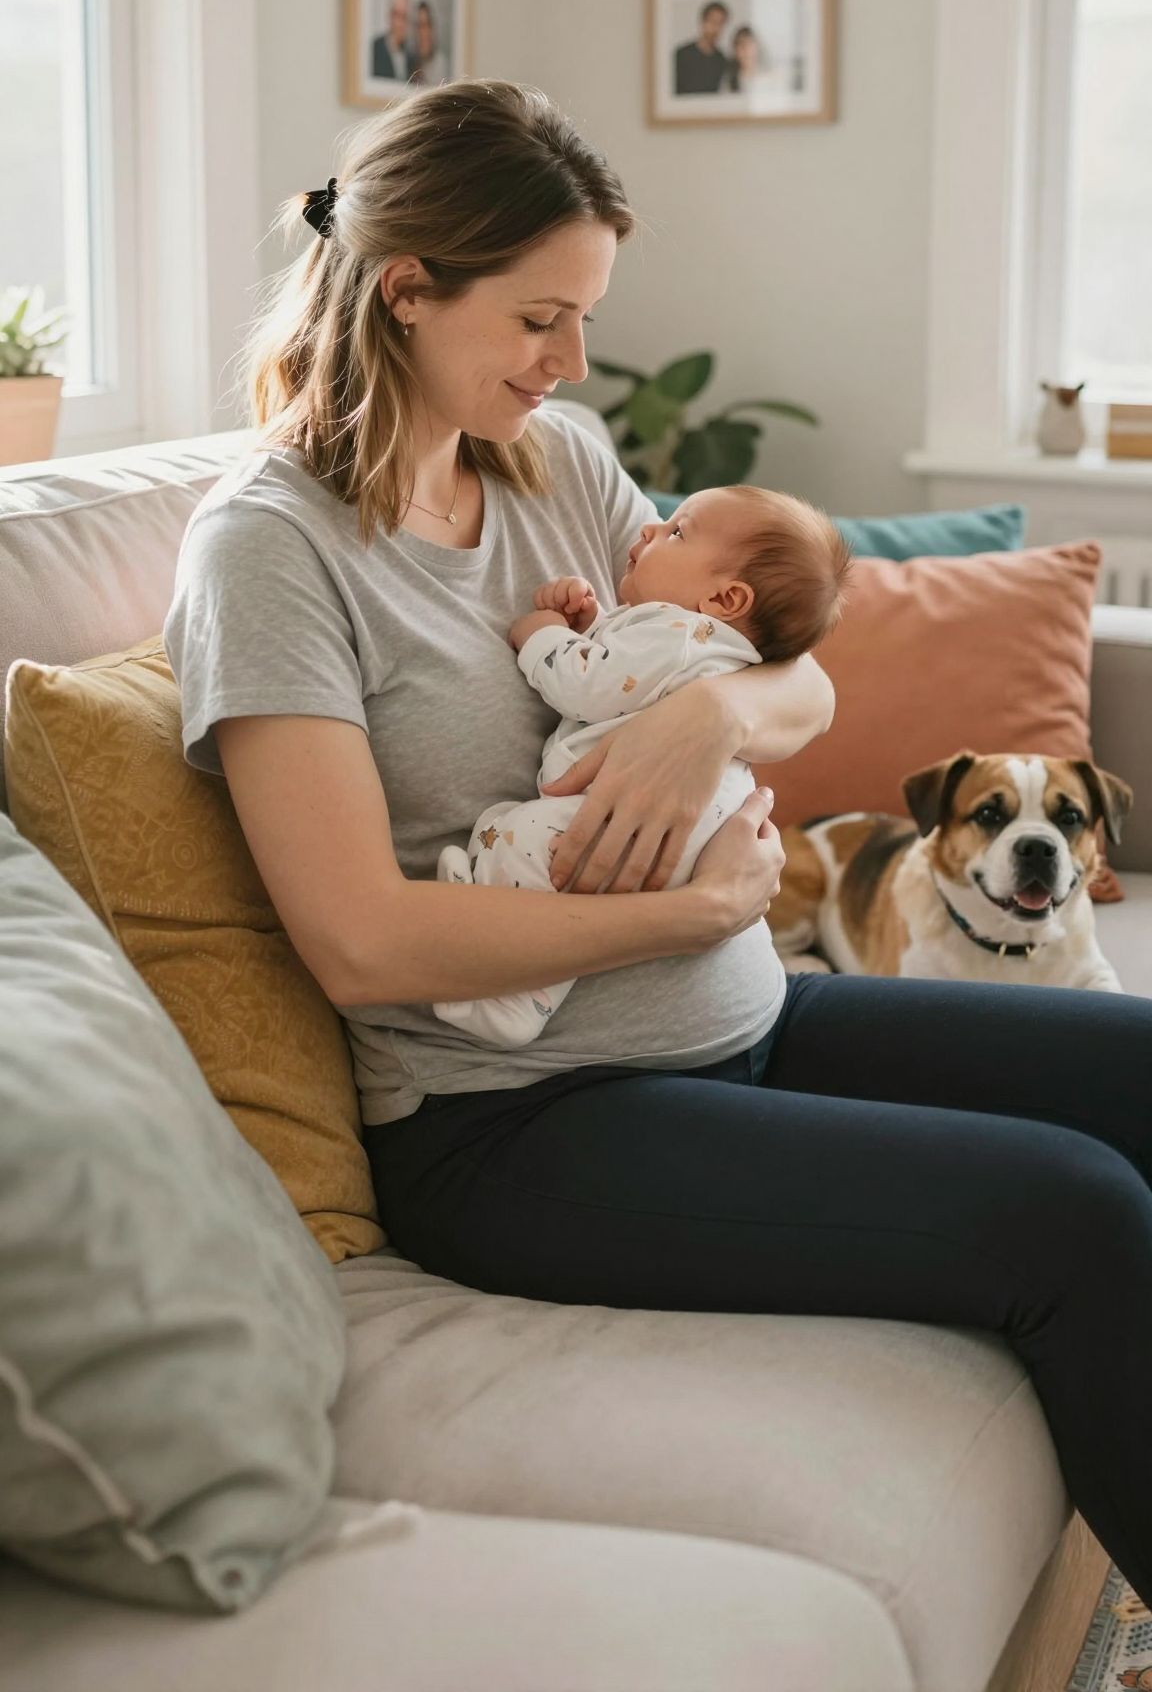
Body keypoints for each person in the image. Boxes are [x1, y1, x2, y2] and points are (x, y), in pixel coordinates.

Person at [164, 78, 1152, 1610]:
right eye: (541, 321)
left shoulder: (550, 466)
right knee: (1077, 1214)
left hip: (750, 1018)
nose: (570, 366)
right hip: (519, 1123)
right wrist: (684, 916)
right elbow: (360, 937)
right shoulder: (269, 554)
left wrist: (712, 727)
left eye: (585, 323)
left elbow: (799, 667)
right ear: (409, 291)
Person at [435, 487, 851, 1046]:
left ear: (726, 600)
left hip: (634, 832)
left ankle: (513, 995)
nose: (651, 529)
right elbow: (635, 676)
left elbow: (586, 686)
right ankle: (504, 944)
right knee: (531, 846)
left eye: (676, 531)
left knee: (515, 833)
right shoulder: (704, 644)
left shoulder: (676, 636)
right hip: (693, 851)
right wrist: (594, 625)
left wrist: (542, 636)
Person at [673, 0, 730, 95]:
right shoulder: (681, 55)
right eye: (712, 21)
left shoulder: (722, 60)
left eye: (720, 23)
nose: (716, 28)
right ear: (702, 22)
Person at [371, 0, 414, 83]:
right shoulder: (375, 49)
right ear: (389, 16)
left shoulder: (411, 57)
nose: (400, 23)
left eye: (405, 17)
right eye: (396, 15)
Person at [410, 0, 448, 86]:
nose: (423, 33)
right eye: (419, 26)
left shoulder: (440, 64)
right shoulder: (408, 62)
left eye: (427, 25)